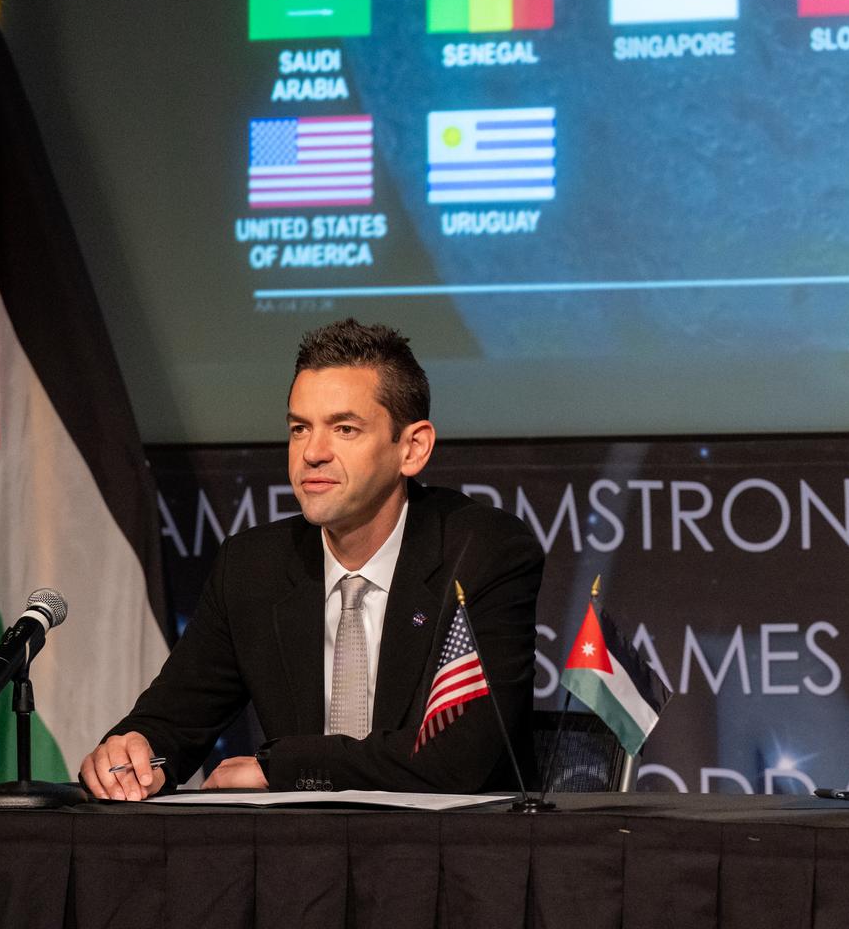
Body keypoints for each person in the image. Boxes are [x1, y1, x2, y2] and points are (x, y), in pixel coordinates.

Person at [79, 319, 544, 799]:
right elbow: (172, 721)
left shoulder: (481, 552)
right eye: (300, 428)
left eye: (344, 428)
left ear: (412, 448)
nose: (313, 453)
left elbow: (463, 755)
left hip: (456, 857)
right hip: (300, 862)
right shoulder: (253, 567)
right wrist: (134, 751)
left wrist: (283, 768)